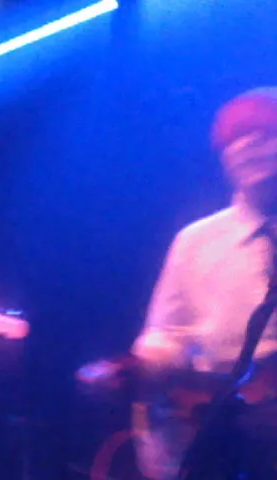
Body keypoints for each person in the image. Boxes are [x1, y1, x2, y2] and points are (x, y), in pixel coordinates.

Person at [130, 87, 277, 479]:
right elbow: (167, 333)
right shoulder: (195, 241)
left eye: (265, 132)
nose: (248, 145)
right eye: (233, 138)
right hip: (228, 436)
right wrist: (141, 364)